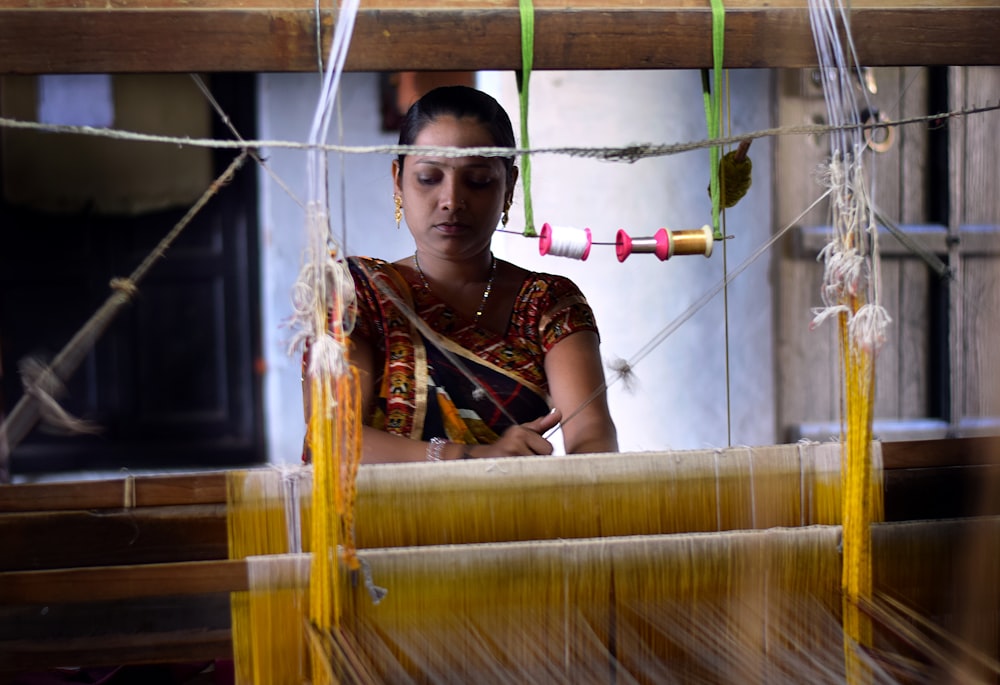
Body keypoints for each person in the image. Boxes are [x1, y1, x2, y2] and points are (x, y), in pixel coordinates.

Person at [348, 85, 617, 463]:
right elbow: (336, 441)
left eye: (477, 180)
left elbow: (592, 438)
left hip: (519, 518)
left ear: (509, 186)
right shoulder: (358, 295)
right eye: (429, 178)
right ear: (398, 180)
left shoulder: (547, 304)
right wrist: (469, 457)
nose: (452, 200)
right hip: (385, 522)